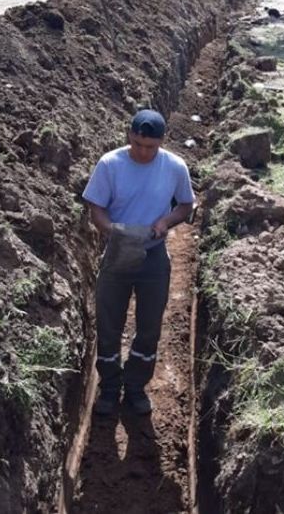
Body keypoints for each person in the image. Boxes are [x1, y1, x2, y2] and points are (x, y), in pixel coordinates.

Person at [82, 110, 195, 416]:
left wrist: (165, 221)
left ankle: (134, 388)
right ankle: (108, 388)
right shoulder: (110, 165)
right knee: (108, 324)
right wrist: (115, 231)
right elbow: (96, 209)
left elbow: (185, 205)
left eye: (150, 147)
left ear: (161, 142)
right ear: (129, 136)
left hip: (154, 256)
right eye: (137, 144)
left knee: (148, 327)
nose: (143, 152)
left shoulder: (174, 167)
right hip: (118, 252)